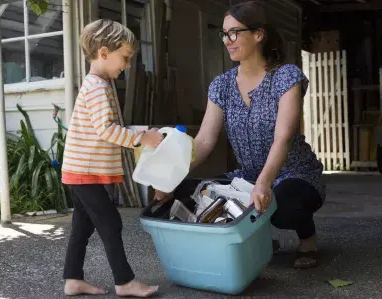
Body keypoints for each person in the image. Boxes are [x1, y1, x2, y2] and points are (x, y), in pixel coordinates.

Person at [156, 1, 325, 269]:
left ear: (258, 34)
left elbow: (283, 137)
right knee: (190, 192)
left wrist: (264, 183)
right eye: (224, 33)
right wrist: (171, 176)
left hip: (295, 174)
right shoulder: (221, 85)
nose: (227, 40)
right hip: (247, 176)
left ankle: (308, 238)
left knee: (282, 205)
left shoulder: (286, 77)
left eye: (234, 32)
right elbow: (204, 141)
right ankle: (260, 239)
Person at [61, 19, 162, 297]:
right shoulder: (97, 87)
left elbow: (107, 126)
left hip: (80, 170)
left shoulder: (100, 83)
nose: (127, 65)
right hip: (85, 172)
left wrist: (141, 132)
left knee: (82, 226)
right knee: (110, 223)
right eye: (125, 58)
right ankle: (125, 281)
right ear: (104, 53)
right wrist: (141, 138)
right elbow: (106, 130)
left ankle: (73, 279)